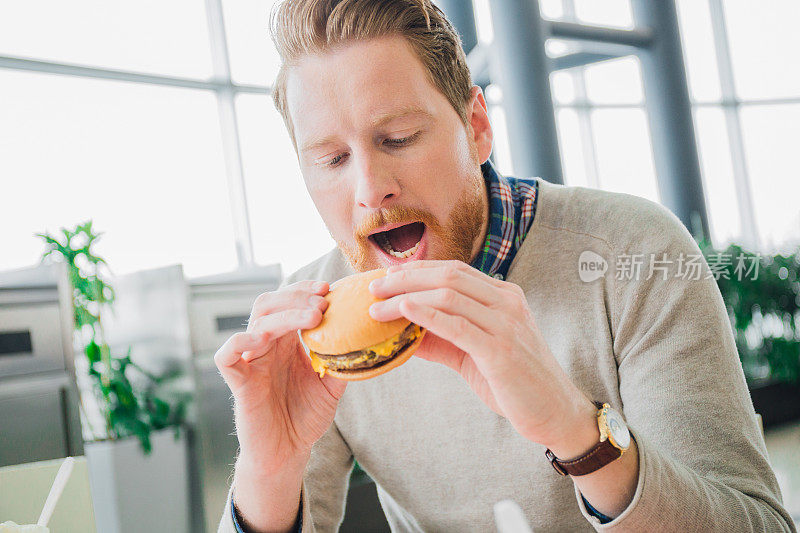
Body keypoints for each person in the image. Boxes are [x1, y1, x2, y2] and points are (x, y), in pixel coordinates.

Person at [215, 1, 794, 531]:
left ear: (477, 125)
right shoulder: (311, 331)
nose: (370, 191)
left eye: (398, 138)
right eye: (333, 158)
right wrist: (268, 468)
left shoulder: (634, 254)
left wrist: (576, 432)